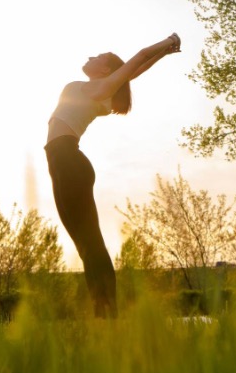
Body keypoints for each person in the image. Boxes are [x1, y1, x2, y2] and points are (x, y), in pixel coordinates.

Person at [45, 33, 181, 318]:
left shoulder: (96, 90)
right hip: (64, 163)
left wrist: (168, 42)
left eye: (98, 56)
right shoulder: (102, 91)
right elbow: (135, 70)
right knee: (87, 245)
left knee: (90, 244)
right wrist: (165, 54)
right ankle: (104, 314)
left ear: (105, 70)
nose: (90, 57)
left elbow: (139, 58)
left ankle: (107, 314)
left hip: (68, 161)